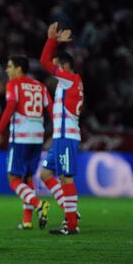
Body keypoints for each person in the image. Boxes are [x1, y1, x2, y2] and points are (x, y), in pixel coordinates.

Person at [0, 55, 52, 230]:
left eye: (9, 67)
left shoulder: (14, 84)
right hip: (38, 136)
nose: (7, 70)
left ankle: (38, 204)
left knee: (13, 178)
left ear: (18, 68)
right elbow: (51, 108)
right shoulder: (40, 86)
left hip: (21, 137)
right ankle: (27, 220)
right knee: (28, 177)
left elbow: (10, 107)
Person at [39, 22, 84, 235]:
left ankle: (71, 224)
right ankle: (70, 210)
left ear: (65, 66)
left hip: (66, 136)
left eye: (58, 66)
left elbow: (44, 62)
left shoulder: (69, 80)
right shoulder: (67, 83)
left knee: (66, 178)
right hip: (60, 136)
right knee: (46, 173)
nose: (54, 70)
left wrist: (52, 41)